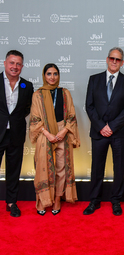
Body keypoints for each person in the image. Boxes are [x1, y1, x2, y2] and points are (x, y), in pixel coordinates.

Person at [84, 47, 124, 216]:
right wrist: (101, 127)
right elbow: (89, 106)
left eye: (118, 59)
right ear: (107, 59)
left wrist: (112, 126)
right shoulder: (94, 79)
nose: (114, 61)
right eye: (112, 58)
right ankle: (94, 200)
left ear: (122, 62)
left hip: (120, 133)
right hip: (98, 132)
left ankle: (116, 200)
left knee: (119, 168)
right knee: (97, 167)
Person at [29, 63, 80, 215]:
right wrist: (47, 133)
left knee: (61, 169)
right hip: (45, 134)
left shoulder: (64, 93)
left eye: (55, 74)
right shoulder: (37, 94)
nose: (52, 77)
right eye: (49, 74)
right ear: (44, 76)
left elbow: (71, 115)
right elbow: (35, 119)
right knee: (42, 168)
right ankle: (42, 201)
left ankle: (57, 199)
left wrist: (64, 131)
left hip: (62, 133)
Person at [0, 50, 33, 217]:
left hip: (16, 134)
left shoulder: (27, 86)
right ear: (5, 63)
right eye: (12, 63)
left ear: (22, 66)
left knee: (14, 170)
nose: (15, 67)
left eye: (18, 64)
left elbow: (26, 109)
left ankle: (11, 202)